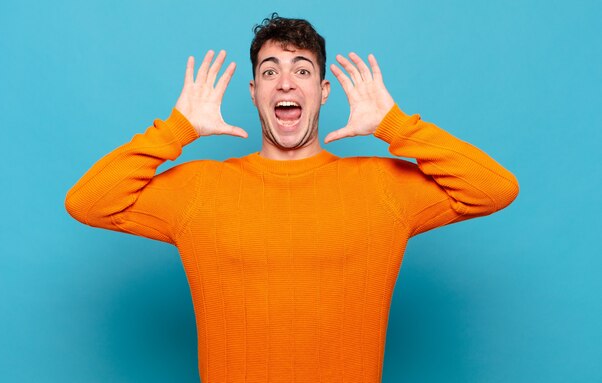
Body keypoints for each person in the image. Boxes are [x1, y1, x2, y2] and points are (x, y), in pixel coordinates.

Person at [65, 13, 519, 383]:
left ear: (322, 93)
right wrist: (177, 129)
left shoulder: (382, 186)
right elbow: (88, 202)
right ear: (255, 93)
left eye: (302, 69)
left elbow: (495, 188)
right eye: (269, 72)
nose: (285, 82)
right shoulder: (199, 188)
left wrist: (395, 126)